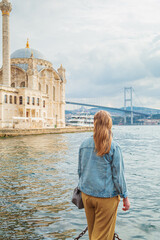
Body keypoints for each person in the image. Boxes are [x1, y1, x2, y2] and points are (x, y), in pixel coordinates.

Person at [78, 110, 130, 240]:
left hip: (87, 196)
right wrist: (125, 197)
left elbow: (80, 171)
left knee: (93, 234)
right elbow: (118, 177)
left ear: (94, 124)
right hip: (106, 198)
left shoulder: (84, 144)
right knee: (102, 236)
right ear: (109, 124)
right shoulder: (113, 147)